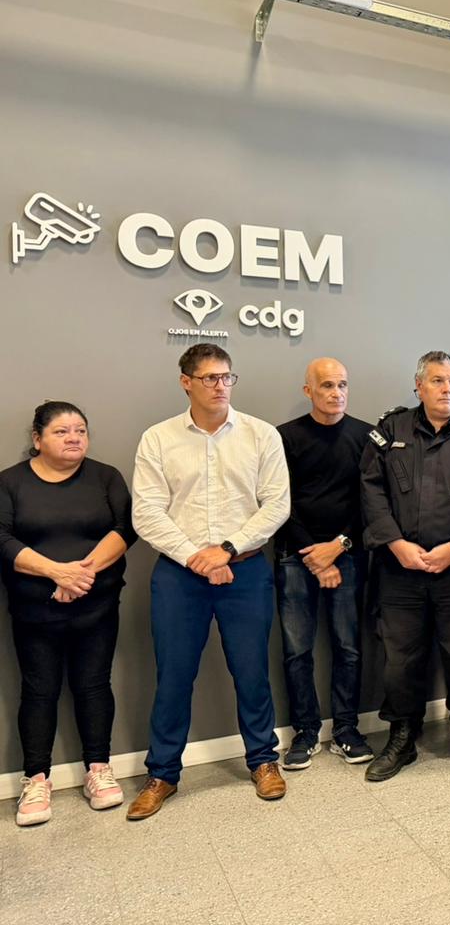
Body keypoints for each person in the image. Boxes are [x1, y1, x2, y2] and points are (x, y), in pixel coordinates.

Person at [128, 344, 291, 820]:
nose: (221, 386)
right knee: (174, 676)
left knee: (252, 671)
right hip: (179, 576)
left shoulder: (261, 435)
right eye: (210, 378)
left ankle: (263, 761)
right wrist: (196, 558)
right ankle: (162, 774)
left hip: (246, 570)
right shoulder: (158, 439)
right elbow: (147, 512)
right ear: (186, 382)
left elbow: (276, 505)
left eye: (227, 377)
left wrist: (228, 550)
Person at [360, 350, 450, 785]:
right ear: (419, 386)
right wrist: (396, 543)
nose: (448, 389)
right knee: (399, 660)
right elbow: (370, 488)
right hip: (399, 569)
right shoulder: (391, 430)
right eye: (438, 381)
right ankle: (402, 737)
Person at [0, 402, 137, 826]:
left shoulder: (105, 477)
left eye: (80, 430)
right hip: (34, 609)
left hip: (97, 605)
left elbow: (125, 529)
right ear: (37, 438)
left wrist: (80, 574)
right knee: (39, 690)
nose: (74, 437)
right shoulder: (10, 482)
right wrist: (55, 572)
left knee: (94, 685)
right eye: (61, 431)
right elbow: (1, 538)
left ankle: (98, 768)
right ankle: (36, 779)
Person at [275, 358, 375, 770]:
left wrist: (338, 546)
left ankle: (346, 729)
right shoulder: (284, 437)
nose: (336, 393)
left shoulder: (367, 436)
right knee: (297, 650)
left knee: (348, 647)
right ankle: (305, 731)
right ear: (309, 391)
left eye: (342, 385)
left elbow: (371, 502)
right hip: (296, 557)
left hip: (348, 554)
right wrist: (315, 557)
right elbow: (279, 501)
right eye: (327, 385)